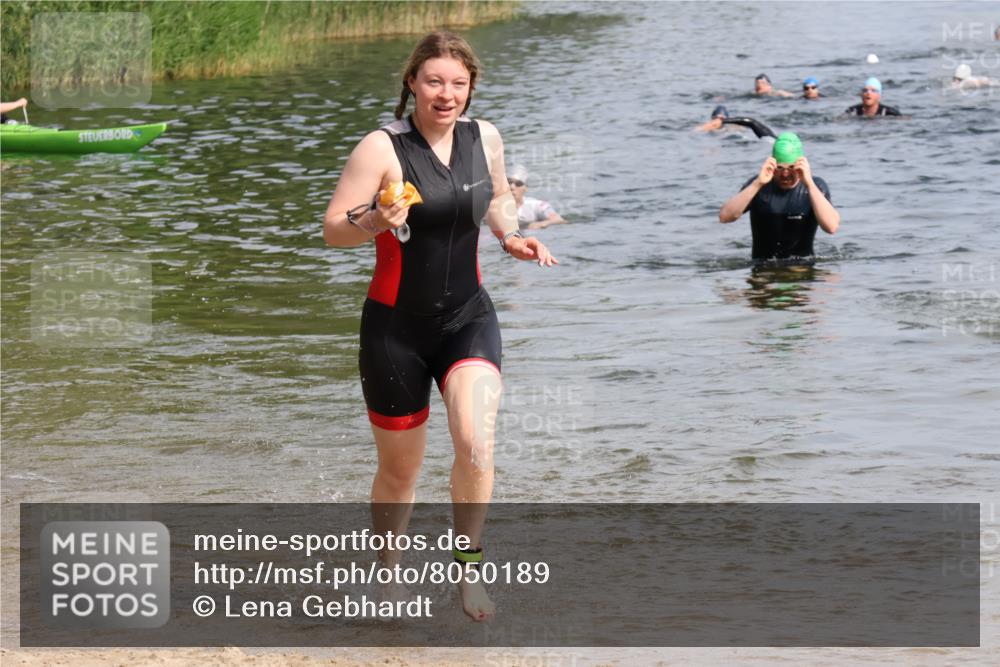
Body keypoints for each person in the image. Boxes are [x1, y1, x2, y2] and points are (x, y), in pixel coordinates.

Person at [322, 31, 556, 622]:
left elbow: (499, 198)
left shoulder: (487, 137)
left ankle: (469, 575)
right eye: (434, 82)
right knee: (400, 473)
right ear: (412, 83)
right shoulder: (381, 148)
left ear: (471, 86)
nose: (446, 94)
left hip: (467, 318)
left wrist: (510, 235)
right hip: (394, 330)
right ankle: (389, 578)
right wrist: (375, 217)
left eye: (458, 83)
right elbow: (333, 229)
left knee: (476, 443)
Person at [718, 132, 840, 261]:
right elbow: (725, 217)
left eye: (792, 167)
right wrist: (757, 183)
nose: (785, 174)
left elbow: (831, 227)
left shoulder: (815, 187)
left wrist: (809, 184)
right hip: (762, 269)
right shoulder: (759, 185)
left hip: (801, 269)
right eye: (780, 168)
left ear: (801, 165)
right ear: (772, 164)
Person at [508, 164, 566, 229]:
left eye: (518, 183)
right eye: (509, 183)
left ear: (526, 188)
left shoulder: (537, 205)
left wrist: (542, 224)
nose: (512, 187)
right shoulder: (496, 208)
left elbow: (559, 220)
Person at [696, 105, 776, 139]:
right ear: (712, 119)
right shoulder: (706, 128)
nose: (718, 120)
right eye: (716, 118)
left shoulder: (734, 127)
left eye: (721, 118)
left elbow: (748, 127)